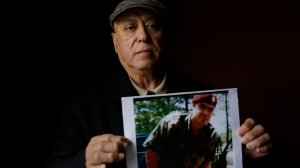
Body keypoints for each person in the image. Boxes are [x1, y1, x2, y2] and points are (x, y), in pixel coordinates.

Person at [44, 0, 272, 168]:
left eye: (152, 25)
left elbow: (222, 158)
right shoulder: (84, 103)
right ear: (115, 42)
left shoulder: (203, 96)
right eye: (130, 27)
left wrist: (248, 154)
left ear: (165, 36)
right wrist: (83, 161)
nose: (143, 36)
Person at [143, 94, 223, 168]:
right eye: (202, 107)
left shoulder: (211, 134)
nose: (206, 112)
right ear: (193, 106)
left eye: (210, 110)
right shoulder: (171, 123)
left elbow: (207, 162)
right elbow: (151, 153)